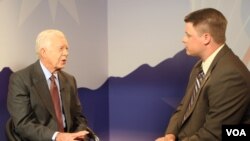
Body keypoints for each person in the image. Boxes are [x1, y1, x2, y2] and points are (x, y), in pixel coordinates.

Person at [156, 8, 250, 141]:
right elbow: (184, 107)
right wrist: (170, 135)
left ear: (206, 38)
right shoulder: (200, 66)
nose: (183, 39)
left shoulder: (231, 76)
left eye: (188, 35)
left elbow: (215, 135)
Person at [6, 29, 99, 141]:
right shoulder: (21, 79)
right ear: (43, 52)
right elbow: (23, 124)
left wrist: (77, 135)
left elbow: (78, 117)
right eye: (61, 48)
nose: (66, 53)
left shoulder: (69, 80)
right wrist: (57, 137)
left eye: (67, 48)